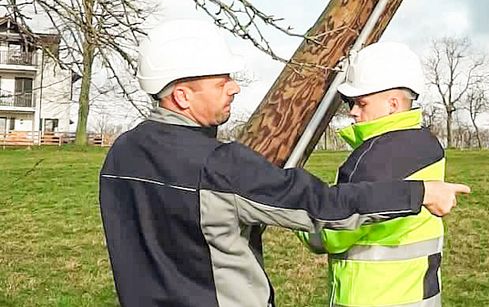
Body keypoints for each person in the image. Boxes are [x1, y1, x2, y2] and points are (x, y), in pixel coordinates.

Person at [98, 24, 469, 307]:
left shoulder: (120, 153)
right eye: (220, 81)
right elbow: (322, 207)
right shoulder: (220, 166)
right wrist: (419, 192)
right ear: (181, 96)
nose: (234, 88)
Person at [298, 42, 447, 306]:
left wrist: (297, 203)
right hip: (421, 295)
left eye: (360, 102)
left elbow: (329, 236)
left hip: (370, 297)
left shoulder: (371, 160)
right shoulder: (429, 144)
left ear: (392, 104)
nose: (353, 111)